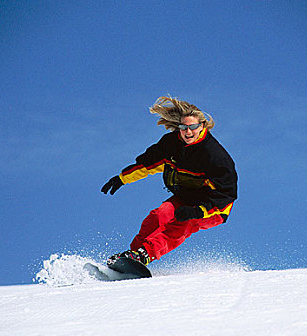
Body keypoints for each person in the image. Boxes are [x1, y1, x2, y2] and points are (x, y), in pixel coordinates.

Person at [101, 96, 238, 266]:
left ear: (202, 126)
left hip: (212, 207)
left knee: (181, 224)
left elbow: (226, 195)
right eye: (183, 127)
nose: (188, 132)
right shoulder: (171, 144)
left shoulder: (215, 157)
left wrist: (198, 211)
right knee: (158, 216)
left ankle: (145, 255)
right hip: (185, 198)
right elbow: (149, 164)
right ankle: (133, 256)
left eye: (193, 127)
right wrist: (122, 179)